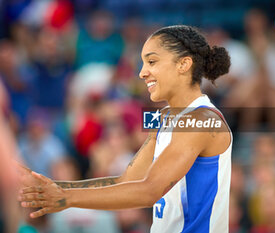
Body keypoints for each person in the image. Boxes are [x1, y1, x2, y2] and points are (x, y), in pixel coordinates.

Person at [18, 25, 232, 232]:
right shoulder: (162, 117)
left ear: (184, 64)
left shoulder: (202, 120)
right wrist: (55, 190)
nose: (142, 73)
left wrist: (68, 198)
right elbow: (127, 181)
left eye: (152, 62)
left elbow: (149, 191)